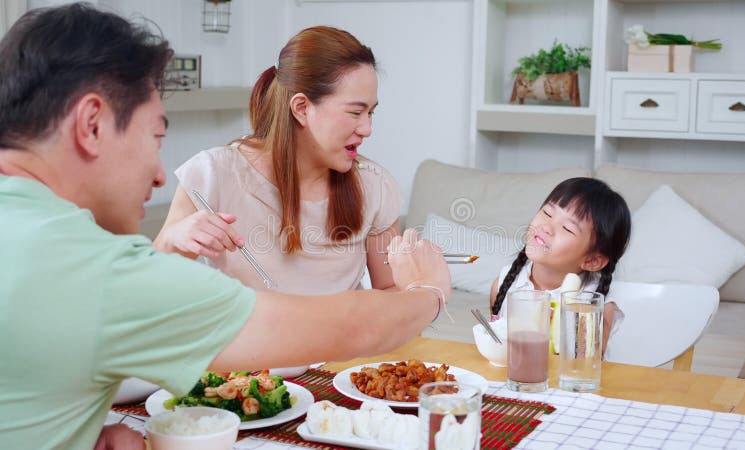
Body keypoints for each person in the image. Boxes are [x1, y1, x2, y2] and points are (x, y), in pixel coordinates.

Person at [0, 4, 449, 450]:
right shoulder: (102, 270)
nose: (159, 175)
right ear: (91, 124)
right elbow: (353, 331)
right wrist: (431, 291)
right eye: (154, 137)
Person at [154, 26, 401, 294]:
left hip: (346, 336)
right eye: (356, 112)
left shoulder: (374, 185)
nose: (367, 129)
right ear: (302, 108)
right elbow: (152, 291)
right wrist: (172, 239)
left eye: (371, 113)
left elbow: (391, 293)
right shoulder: (213, 174)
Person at [489, 177, 631, 352]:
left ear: (592, 260)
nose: (547, 227)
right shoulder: (503, 285)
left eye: (568, 229)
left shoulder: (595, 305)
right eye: (548, 213)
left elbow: (586, 368)